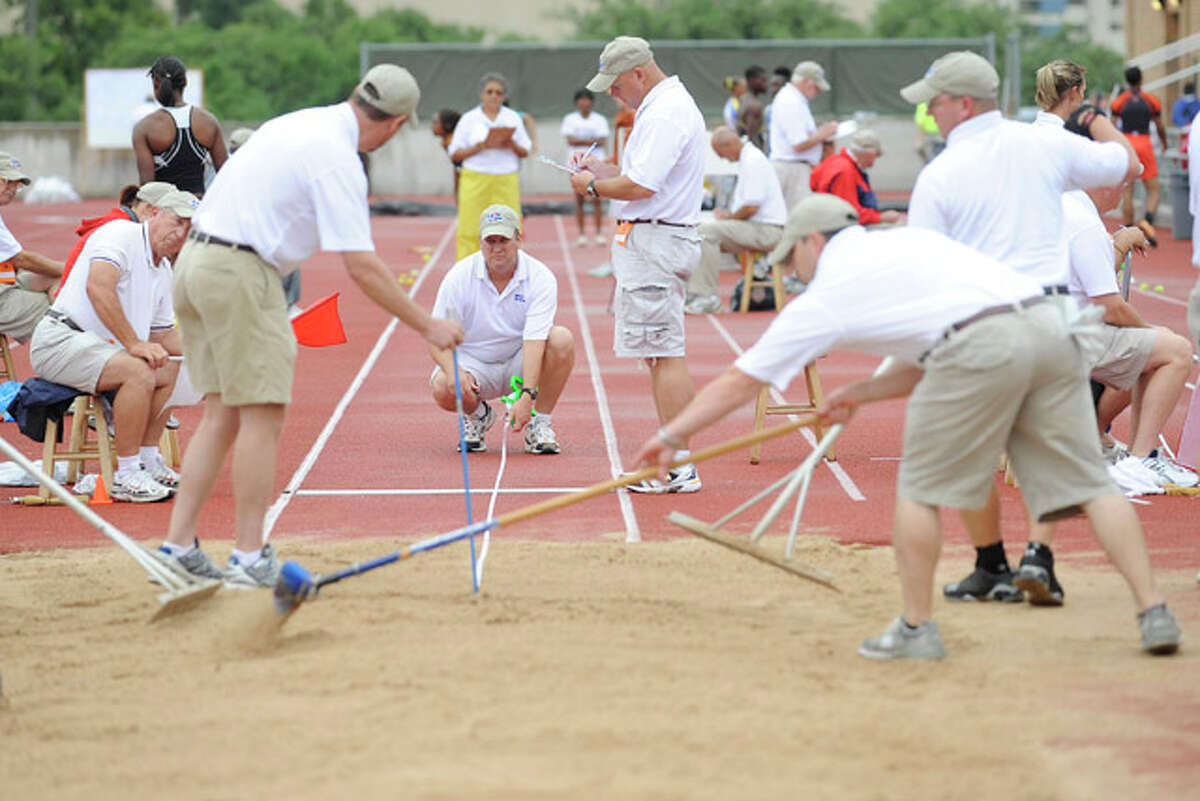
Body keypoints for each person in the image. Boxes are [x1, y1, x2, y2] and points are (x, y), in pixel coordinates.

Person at [633, 194, 1183, 659]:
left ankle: (917, 629)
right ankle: (1153, 609)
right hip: (1050, 324)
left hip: (987, 343)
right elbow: (943, 335)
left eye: (791, 258)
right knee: (1089, 481)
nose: (790, 271)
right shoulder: (909, 242)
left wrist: (673, 436)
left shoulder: (827, 292)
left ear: (813, 242)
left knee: (918, 489)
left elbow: (741, 379)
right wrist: (862, 392)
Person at [158, 65, 464, 587]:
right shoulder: (339, 158)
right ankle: (250, 557)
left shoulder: (299, 122)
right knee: (263, 414)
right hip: (240, 271)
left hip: (196, 263)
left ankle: (179, 546)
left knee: (222, 414)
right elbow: (361, 265)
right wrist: (428, 325)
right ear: (395, 125)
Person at [903, 51, 1140, 606]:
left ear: (961, 104)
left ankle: (985, 568)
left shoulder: (941, 171)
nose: (930, 114)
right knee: (1058, 453)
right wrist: (1098, 118)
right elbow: (1127, 165)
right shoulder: (1045, 143)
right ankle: (1058, 564)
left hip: (988, 320)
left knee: (967, 453)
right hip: (1054, 314)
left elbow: (927, 268)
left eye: (934, 104)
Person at [569, 35, 707, 494]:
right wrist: (605, 172)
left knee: (665, 352)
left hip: (655, 237)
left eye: (616, 84)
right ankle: (677, 458)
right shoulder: (663, 106)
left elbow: (642, 186)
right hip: (654, 235)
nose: (612, 94)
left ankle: (678, 463)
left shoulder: (666, 110)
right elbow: (641, 177)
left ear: (640, 73)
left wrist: (592, 186)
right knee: (659, 352)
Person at [28, 190, 197, 502]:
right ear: (154, 213)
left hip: (102, 349)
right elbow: (99, 287)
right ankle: (125, 474)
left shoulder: (163, 270)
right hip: (59, 340)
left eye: (191, 228)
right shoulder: (120, 234)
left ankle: (147, 460)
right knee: (138, 371)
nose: (181, 233)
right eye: (178, 221)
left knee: (176, 365)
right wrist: (134, 344)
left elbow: (162, 338)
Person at [428, 204, 575, 454]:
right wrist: (454, 371)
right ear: (481, 242)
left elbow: (534, 339)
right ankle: (477, 416)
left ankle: (540, 423)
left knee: (561, 339)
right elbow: (437, 337)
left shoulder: (540, 277)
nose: (497, 248)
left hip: (520, 360)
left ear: (519, 238)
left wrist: (527, 395)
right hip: (474, 364)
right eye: (490, 241)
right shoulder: (459, 277)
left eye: (504, 240)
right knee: (443, 385)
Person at [684, 127, 786, 315]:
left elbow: (751, 207)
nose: (723, 159)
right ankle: (695, 292)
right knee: (700, 231)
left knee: (705, 232)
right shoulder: (750, 159)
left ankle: (706, 296)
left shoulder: (753, 160)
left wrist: (730, 217)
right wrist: (728, 215)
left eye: (721, 154)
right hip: (759, 226)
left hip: (768, 230)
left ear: (729, 145)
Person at [448, 73, 532, 260]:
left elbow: (526, 150)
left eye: (499, 92)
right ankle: (466, 271)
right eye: (490, 92)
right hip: (475, 178)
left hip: (505, 178)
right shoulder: (469, 119)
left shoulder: (512, 118)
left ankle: (511, 268)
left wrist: (509, 143)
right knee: (470, 228)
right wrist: (480, 146)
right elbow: (454, 153)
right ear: (482, 94)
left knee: (510, 226)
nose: (494, 96)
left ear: (504, 96)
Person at [57, 181, 175, 298]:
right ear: (150, 210)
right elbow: (99, 288)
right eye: (174, 219)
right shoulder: (122, 232)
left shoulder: (119, 222)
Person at [132, 56, 228, 196]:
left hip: (166, 212)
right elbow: (226, 174)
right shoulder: (208, 121)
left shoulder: (145, 128)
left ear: (156, 84)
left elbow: (147, 188)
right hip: (198, 209)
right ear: (185, 82)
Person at [0, 153, 65, 343]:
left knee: (57, 278)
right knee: (67, 310)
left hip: (5, 282)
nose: (12, 188)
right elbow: (21, 259)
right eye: (7, 181)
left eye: (16, 183)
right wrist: (73, 269)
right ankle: (62, 354)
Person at [768, 61, 839, 208]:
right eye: (816, 87)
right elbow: (798, 144)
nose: (818, 92)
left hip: (795, 168)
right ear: (807, 82)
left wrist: (819, 133)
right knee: (797, 219)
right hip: (792, 169)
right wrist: (823, 134)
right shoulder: (791, 101)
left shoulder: (795, 99)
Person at [1111, 66, 1168, 244]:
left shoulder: (1119, 101)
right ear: (1141, 79)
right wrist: (1164, 143)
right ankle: (1147, 221)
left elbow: (1111, 127)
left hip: (1127, 143)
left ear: (1127, 81)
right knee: (1153, 188)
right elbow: (1159, 126)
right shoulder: (1151, 101)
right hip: (1144, 142)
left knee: (1128, 188)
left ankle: (1128, 230)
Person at [809, 129, 903, 226]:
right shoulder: (845, 171)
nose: (873, 163)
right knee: (897, 227)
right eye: (876, 155)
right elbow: (848, 214)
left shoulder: (841, 163)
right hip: (841, 227)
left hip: (837, 222)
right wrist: (880, 217)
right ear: (869, 153)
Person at [560, 89, 610, 246]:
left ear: (591, 102)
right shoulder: (570, 119)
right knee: (579, 199)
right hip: (576, 165)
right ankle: (581, 234)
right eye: (581, 100)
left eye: (587, 100)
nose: (584, 103)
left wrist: (581, 140)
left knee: (597, 198)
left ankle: (599, 233)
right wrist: (591, 141)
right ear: (577, 103)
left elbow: (602, 141)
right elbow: (570, 141)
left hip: (595, 164)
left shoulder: (600, 120)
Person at [431, 108, 462, 197]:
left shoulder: (453, 143)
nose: (432, 126)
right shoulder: (447, 142)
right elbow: (457, 169)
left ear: (448, 125)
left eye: (436, 123)